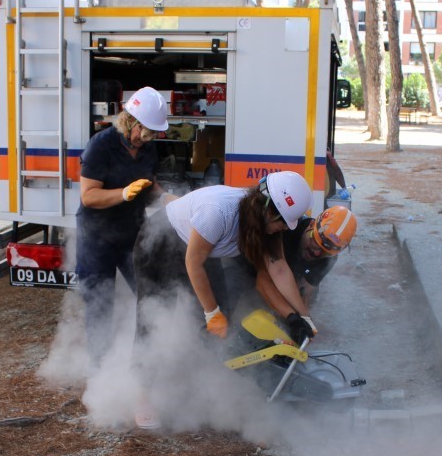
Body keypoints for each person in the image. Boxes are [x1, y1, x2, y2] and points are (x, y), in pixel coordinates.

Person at [130, 170, 318, 428]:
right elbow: (193, 263)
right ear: (268, 209)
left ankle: (196, 385)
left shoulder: (267, 224)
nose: (286, 228)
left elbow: (279, 269)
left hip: (200, 252)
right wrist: (211, 313)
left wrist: (302, 317)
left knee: (220, 317)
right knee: (153, 317)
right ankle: (142, 397)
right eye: (284, 222)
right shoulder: (219, 212)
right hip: (162, 244)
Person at [76, 87, 170, 368]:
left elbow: (149, 185)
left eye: (153, 133)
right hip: (96, 237)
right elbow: (88, 196)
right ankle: (100, 368)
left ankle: (147, 363)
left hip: (132, 232)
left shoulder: (148, 147)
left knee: (149, 294)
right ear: (130, 122)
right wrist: (123, 193)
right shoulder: (100, 145)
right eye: (146, 132)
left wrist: (166, 198)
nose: (148, 138)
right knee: (100, 303)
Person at [254, 205, 357, 337]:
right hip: (251, 267)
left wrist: (306, 322)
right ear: (311, 225)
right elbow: (262, 282)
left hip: (284, 275)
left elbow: (306, 293)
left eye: (324, 252)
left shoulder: (329, 258)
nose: (316, 253)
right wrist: (292, 318)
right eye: (315, 243)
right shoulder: (286, 229)